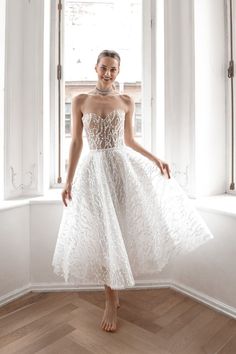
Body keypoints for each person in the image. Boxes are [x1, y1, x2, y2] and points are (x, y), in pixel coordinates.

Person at [52, 49, 214, 333]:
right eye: (104, 67)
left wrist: (156, 159)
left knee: (119, 234)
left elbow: (128, 140)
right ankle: (110, 299)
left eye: (113, 69)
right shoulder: (80, 100)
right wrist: (68, 181)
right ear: (96, 67)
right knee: (105, 236)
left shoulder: (126, 100)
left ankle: (114, 293)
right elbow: (76, 142)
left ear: (118, 72)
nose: (108, 73)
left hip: (119, 170)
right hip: (93, 173)